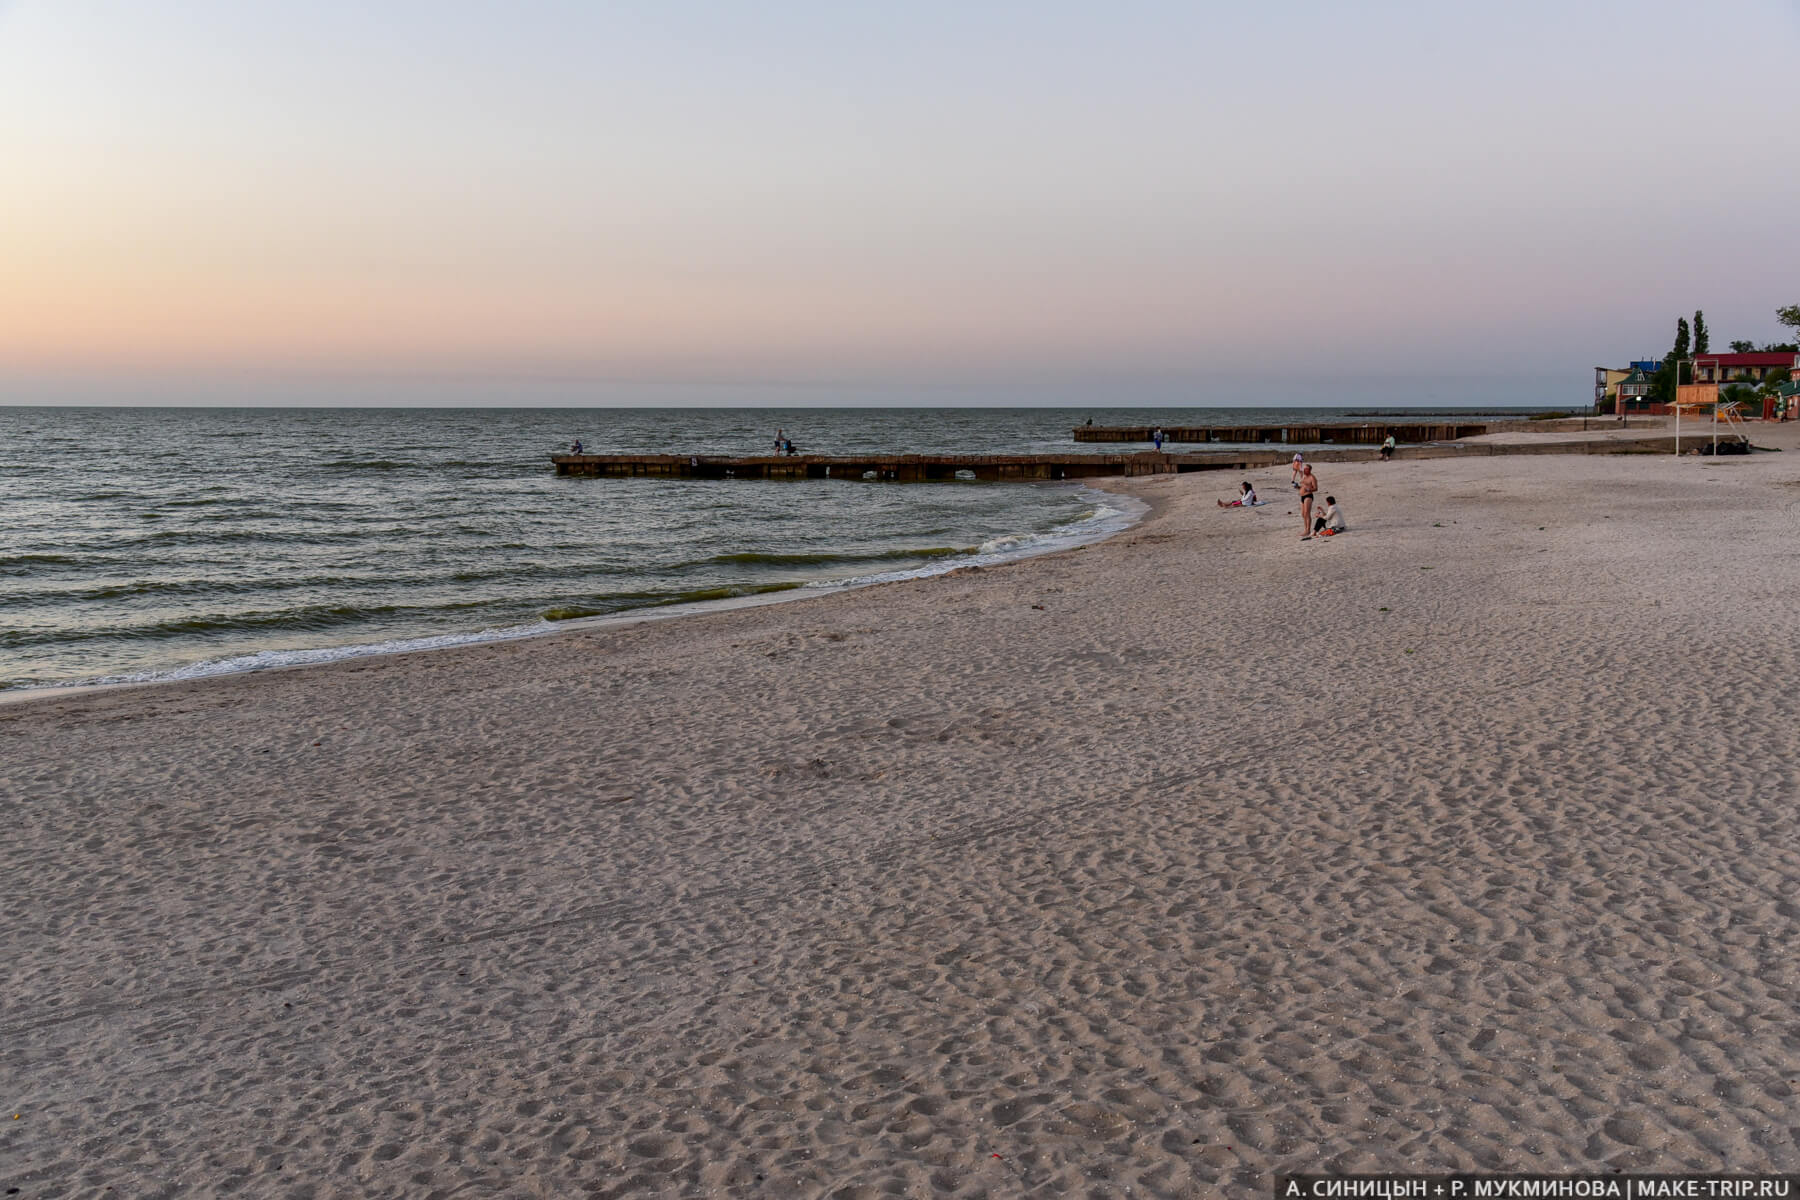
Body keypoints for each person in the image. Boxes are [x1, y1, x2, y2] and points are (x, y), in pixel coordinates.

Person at [1297, 463, 1319, 539]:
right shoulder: (1303, 476)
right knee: (1303, 514)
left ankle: (1308, 530)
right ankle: (1305, 529)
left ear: (1309, 470)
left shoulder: (1312, 477)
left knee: (1307, 513)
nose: (1304, 470)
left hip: (1308, 496)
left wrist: (1309, 489)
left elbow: (1316, 488)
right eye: (1304, 469)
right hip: (1302, 496)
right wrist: (1298, 487)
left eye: (1306, 469)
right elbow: (1302, 486)